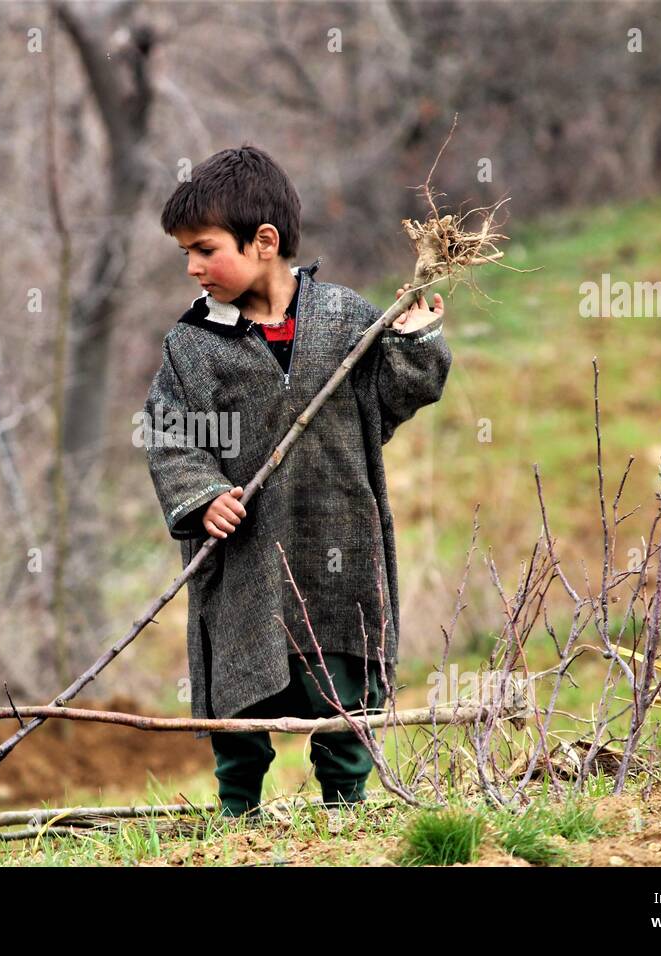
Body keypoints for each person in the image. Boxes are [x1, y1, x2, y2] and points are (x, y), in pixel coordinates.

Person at [142, 144, 452, 817]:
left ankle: (349, 803)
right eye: (184, 255)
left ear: (264, 242)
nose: (193, 267)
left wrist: (415, 344)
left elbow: (391, 401)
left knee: (342, 681)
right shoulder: (191, 345)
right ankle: (237, 812)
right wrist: (202, 497)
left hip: (338, 540)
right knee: (241, 688)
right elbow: (168, 435)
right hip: (243, 552)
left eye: (204, 248)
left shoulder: (343, 319)